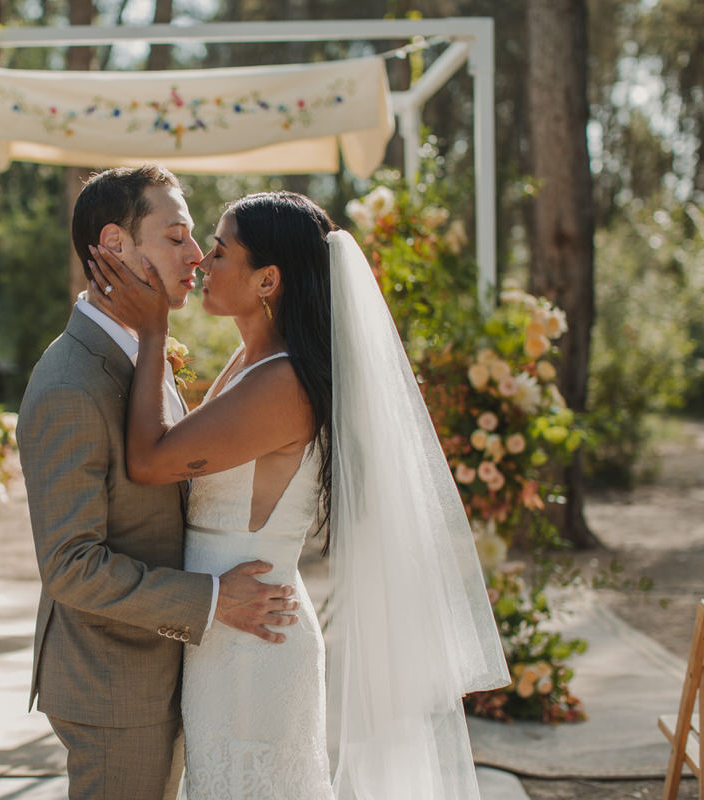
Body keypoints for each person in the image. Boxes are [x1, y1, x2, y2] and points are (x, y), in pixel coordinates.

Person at [87, 190, 511, 799]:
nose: (203, 260)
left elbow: (151, 462)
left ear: (268, 279)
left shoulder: (282, 382)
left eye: (220, 250)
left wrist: (154, 333)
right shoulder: (250, 361)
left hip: (255, 645)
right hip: (226, 630)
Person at [16, 165, 301, 800]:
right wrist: (211, 600)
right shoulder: (71, 385)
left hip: (173, 673)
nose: (197, 255)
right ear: (114, 244)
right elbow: (70, 566)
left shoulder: (142, 351)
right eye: (176, 237)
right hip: (115, 686)